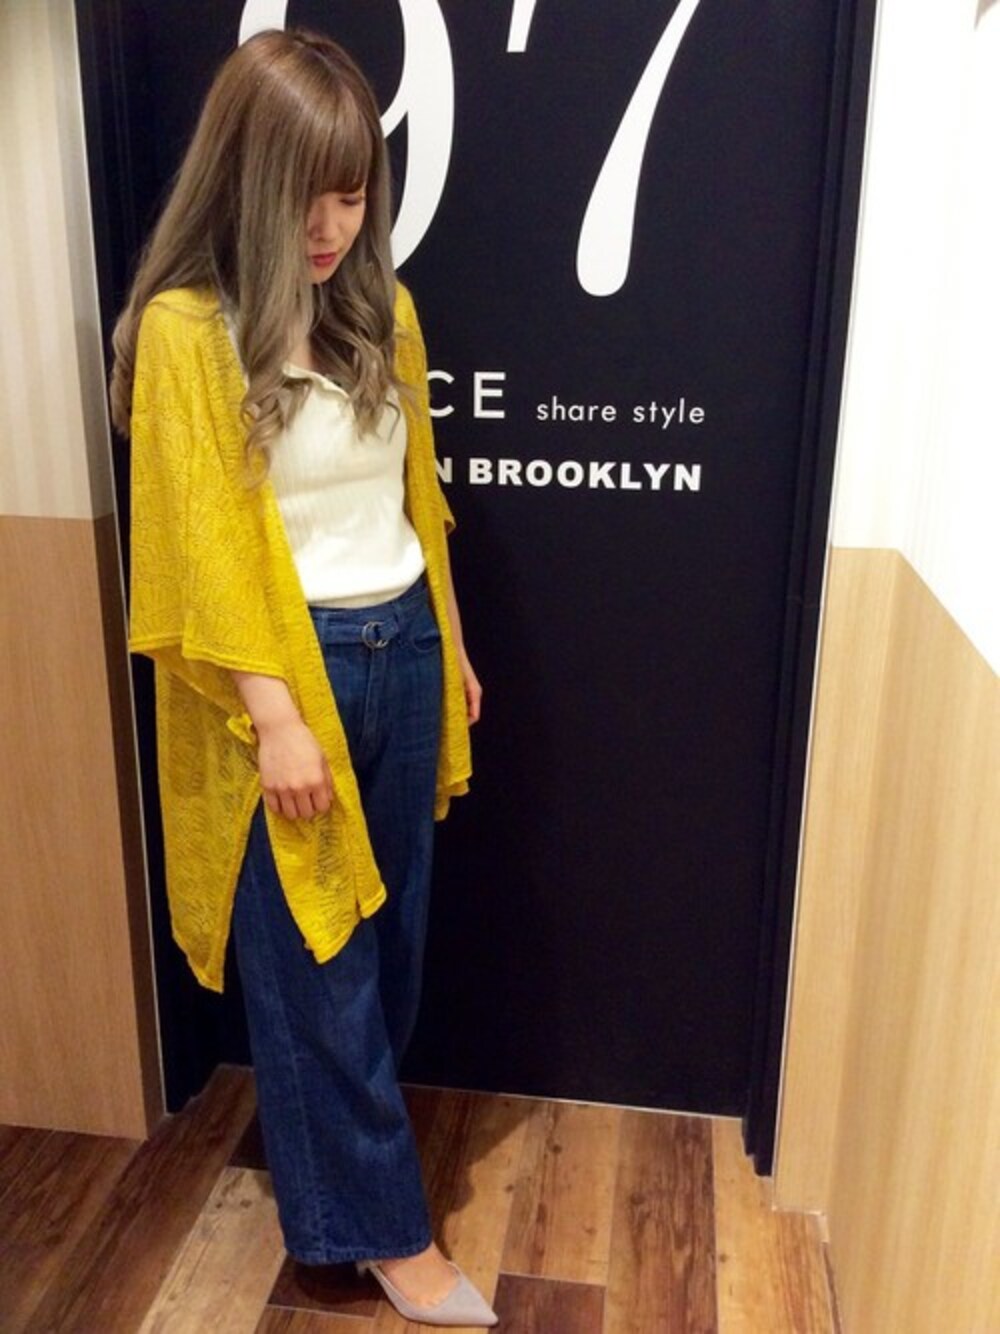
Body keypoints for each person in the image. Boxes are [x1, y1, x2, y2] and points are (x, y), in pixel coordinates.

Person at [109, 28, 496, 1329]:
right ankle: (391, 1238)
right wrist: (274, 715)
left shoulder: (384, 311)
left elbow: (416, 500)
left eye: (350, 192)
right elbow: (198, 548)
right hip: (286, 676)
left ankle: (335, 1202)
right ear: (242, 177)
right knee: (319, 966)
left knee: (387, 951)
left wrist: (452, 641)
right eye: (303, 194)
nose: (329, 225)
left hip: (403, 649)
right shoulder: (188, 331)